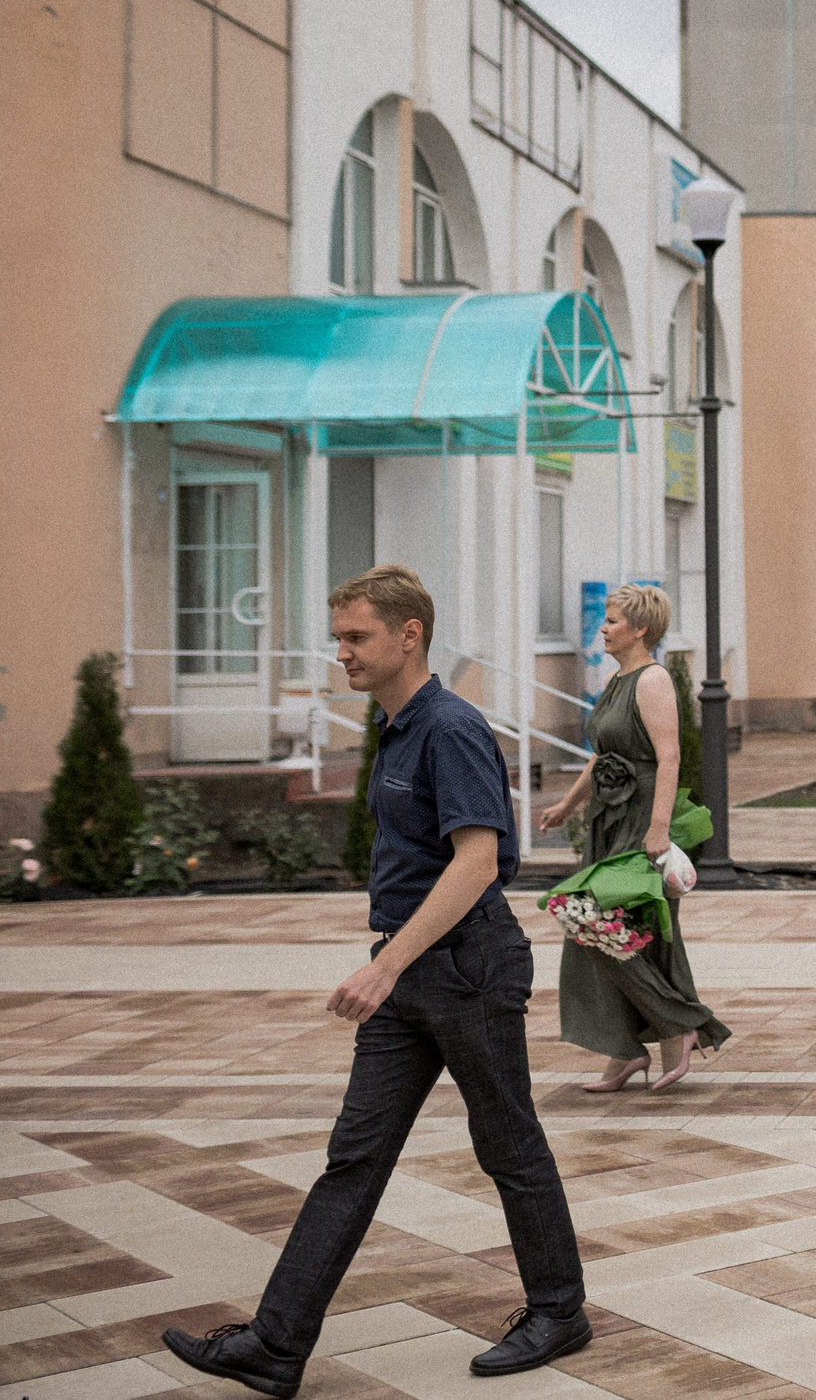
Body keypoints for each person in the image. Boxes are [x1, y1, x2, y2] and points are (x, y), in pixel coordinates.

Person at [165, 566, 589, 1395]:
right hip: (410, 972)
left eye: (356, 636)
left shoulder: (450, 728)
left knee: (507, 1141)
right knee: (353, 1157)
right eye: (340, 637)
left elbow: (479, 864)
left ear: (409, 634)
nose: (342, 653)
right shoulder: (396, 728)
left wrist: (385, 964)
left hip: (466, 966)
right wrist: (394, 963)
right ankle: (276, 1344)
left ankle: (559, 1309)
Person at [538, 583, 732, 1092]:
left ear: (640, 628)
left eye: (612, 620)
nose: (603, 627)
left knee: (618, 928)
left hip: (641, 819)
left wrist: (659, 830)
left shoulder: (653, 680)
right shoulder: (617, 680)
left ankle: (679, 1024)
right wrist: (567, 804)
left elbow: (668, 757)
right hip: (609, 817)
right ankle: (625, 1052)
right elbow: (603, 755)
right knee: (598, 929)